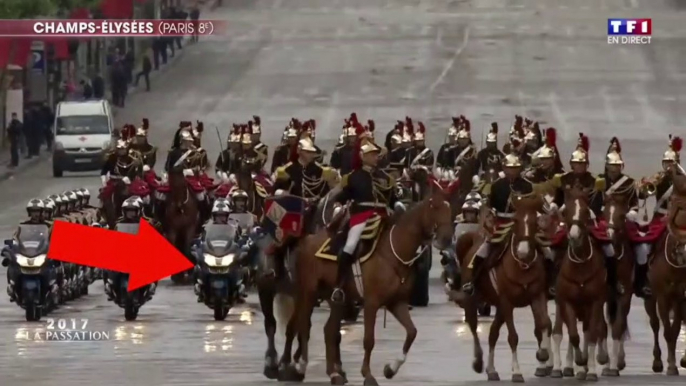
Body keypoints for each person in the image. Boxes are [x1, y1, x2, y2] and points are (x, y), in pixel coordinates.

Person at [455, 152, 552, 299]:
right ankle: (472, 281)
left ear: (520, 169)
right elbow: (486, 206)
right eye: (508, 168)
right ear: (504, 168)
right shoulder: (496, 186)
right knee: (483, 250)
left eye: (515, 168)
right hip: (501, 223)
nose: (511, 171)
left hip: (523, 224)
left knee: (546, 250)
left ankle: (551, 283)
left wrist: (547, 215)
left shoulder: (529, 186)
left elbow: (541, 206)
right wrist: (486, 218)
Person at [331, 127, 404, 304]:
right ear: (363, 156)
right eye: (372, 154)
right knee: (350, 246)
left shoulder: (385, 177)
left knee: (401, 245)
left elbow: (392, 198)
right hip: (361, 217)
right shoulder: (353, 177)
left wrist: (398, 204)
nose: (375, 157)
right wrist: (337, 203)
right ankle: (339, 287)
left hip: (383, 216)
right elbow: (344, 196)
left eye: (376, 154)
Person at [631, 135, 682, 298]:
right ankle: (642, 281)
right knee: (645, 248)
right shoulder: (657, 178)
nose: (668, 166)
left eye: (671, 163)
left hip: (679, 221)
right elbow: (643, 196)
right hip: (658, 220)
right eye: (666, 163)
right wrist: (643, 187)